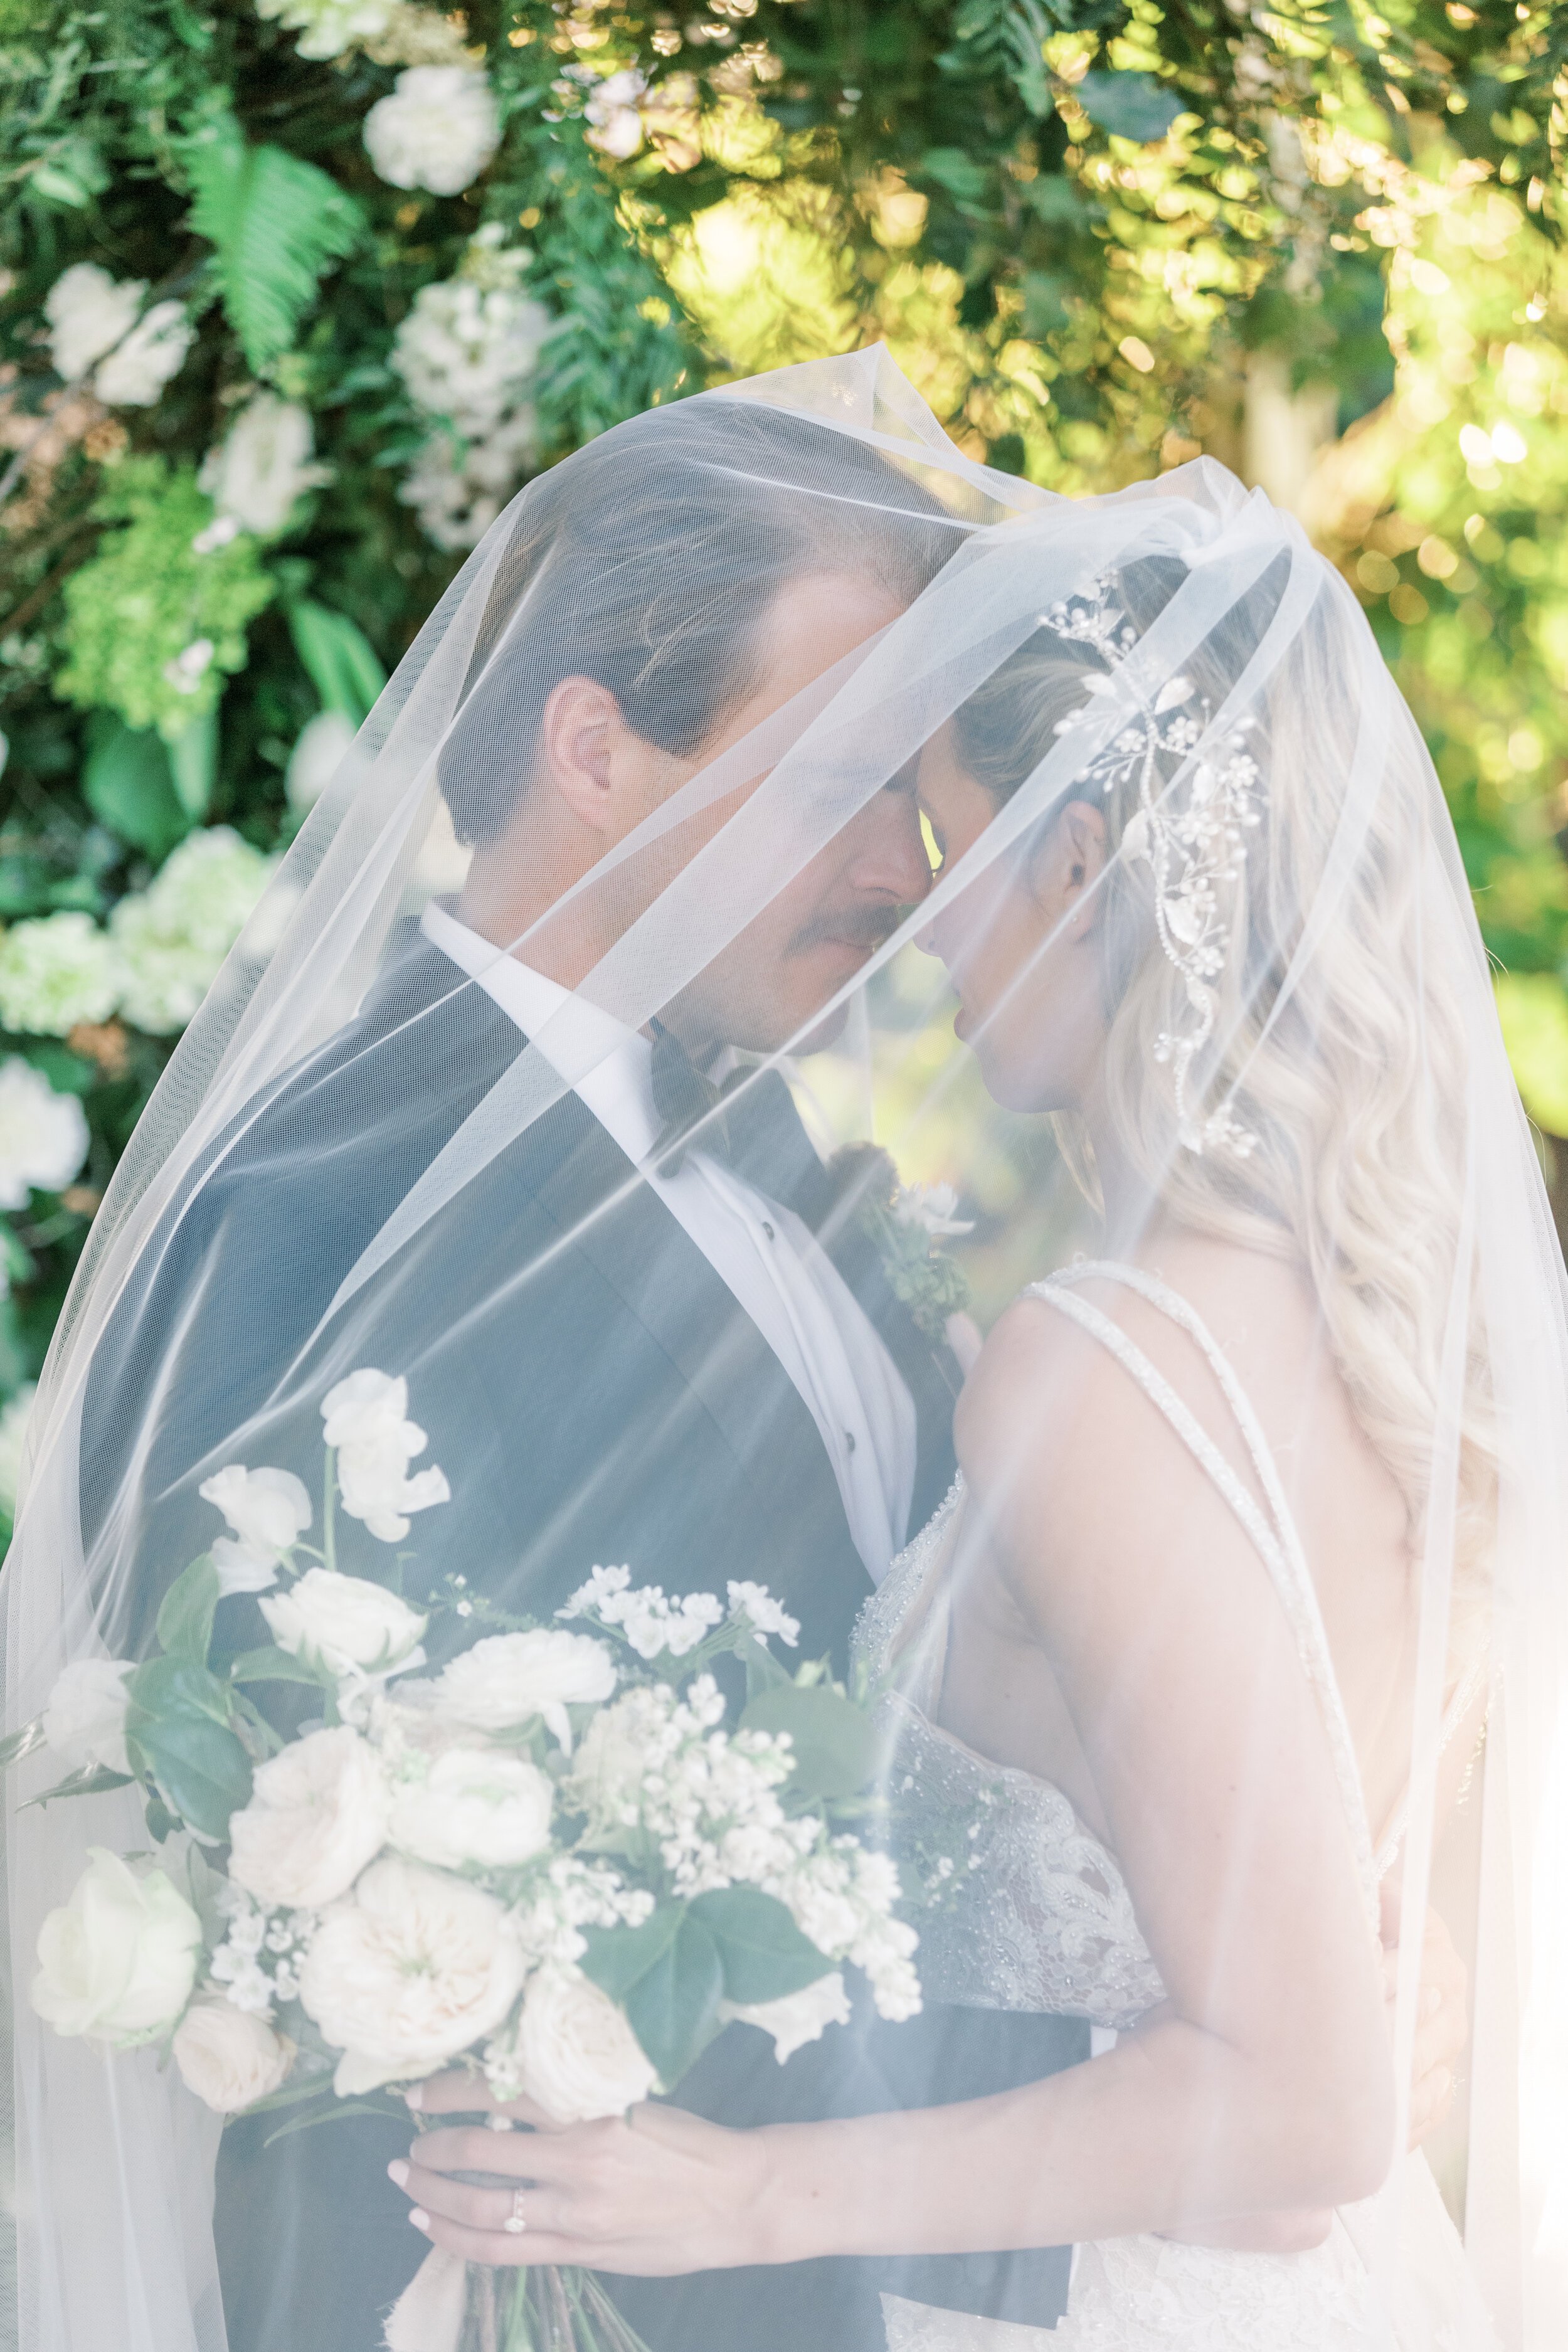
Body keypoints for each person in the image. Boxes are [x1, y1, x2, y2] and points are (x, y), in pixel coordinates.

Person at [1, 354, 1483, 2352]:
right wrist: (1228, 2105)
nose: (906, 879)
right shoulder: (308, 1229)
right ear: (599, 750)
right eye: (848, 786)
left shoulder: (821, 1172)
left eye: (930, 803)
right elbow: (324, 1957)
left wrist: (1268, 2038)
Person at [378, 450, 1568, 2348]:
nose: (915, 928)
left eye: (940, 841)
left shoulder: (1103, 1365)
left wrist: (746, 2189)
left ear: (1081, 865)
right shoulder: (1360, 1315)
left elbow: (1300, 2104)